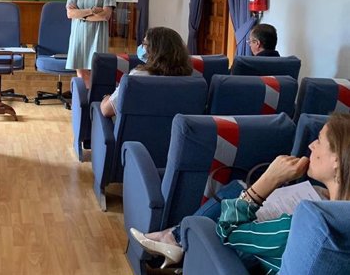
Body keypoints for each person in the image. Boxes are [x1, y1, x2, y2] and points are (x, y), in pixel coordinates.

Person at [129, 112, 350, 273]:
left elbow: (228, 232)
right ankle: (178, 241)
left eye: (320, 140)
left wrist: (268, 180)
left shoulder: (307, 225)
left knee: (224, 207)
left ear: (337, 161)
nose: (311, 145)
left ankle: (178, 238)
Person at [100, 26, 192, 117]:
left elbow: (106, 110)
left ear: (154, 50)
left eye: (144, 43)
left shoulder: (136, 78)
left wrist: (106, 97)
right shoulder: (190, 79)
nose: (141, 47)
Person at [65, 0, 116, 87]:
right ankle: (83, 102)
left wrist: (81, 14)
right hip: (79, 35)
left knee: (95, 71)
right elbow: (70, 14)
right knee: (81, 73)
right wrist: (91, 11)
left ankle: (92, 100)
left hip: (97, 35)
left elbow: (105, 15)